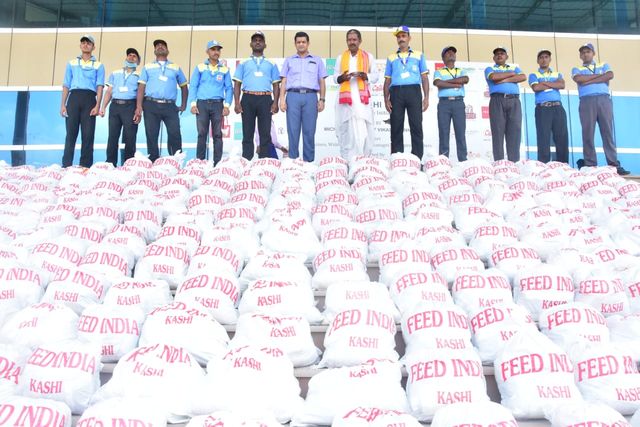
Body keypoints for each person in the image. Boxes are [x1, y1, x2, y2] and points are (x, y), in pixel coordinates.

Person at [572, 43, 630, 175]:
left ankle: (613, 163)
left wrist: (588, 81)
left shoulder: (603, 65)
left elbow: (609, 75)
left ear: (593, 53)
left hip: (604, 99)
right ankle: (590, 163)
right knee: (587, 133)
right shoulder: (577, 68)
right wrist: (599, 77)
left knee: (607, 132)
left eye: (588, 51)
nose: (586, 54)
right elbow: (579, 79)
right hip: (586, 101)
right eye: (583, 52)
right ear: (580, 55)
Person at [134, 39, 188, 162]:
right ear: (154, 50)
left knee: (175, 133)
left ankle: (176, 161)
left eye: (163, 45)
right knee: (152, 135)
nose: (160, 47)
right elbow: (141, 87)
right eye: (157, 46)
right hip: (151, 104)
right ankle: (153, 162)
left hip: (170, 106)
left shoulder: (175, 67)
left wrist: (183, 104)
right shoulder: (147, 67)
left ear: (167, 50)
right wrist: (139, 107)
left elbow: (184, 85)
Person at [279, 31, 328, 162]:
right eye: (298, 42)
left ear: (308, 43)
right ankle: (293, 162)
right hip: (293, 96)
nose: (301, 44)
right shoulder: (289, 60)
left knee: (309, 132)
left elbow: (322, 81)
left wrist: (322, 99)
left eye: (303, 42)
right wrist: (282, 99)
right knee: (293, 132)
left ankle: (309, 163)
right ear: (295, 44)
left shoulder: (317, 60)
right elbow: (283, 81)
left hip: (310, 97)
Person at [383, 25, 429, 160]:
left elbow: (424, 77)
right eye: (398, 36)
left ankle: (417, 159)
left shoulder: (419, 55)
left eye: (403, 36)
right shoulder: (391, 57)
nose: (401, 39)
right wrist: (386, 99)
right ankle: (397, 158)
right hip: (396, 92)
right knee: (396, 126)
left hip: (414, 91)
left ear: (409, 38)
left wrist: (426, 98)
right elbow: (387, 80)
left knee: (416, 125)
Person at [233, 31, 281, 160]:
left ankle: (263, 162)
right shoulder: (243, 63)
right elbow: (237, 83)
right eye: (255, 40)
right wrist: (237, 102)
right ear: (251, 44)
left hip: (265, 99)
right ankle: (246, 161)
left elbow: (276, 85)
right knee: (247, 133)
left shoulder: (272, 63)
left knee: (265, 133)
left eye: (260, 40)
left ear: (265, 44)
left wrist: (275, 102)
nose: (258, 42)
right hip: (248, 98)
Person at [60, 34, 105, 168]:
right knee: (71, 133)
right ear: (80, 45)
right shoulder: (72, 63)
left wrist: (98, 105)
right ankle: (66, 165)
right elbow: (66, 84)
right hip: (74, 98)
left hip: (89, 98)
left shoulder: (98, 65)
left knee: (88, 134)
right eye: (83, 43)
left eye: (89, 43)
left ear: (93, 47)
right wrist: (63, 104)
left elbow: (100, 86)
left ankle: (85, 165)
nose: (86, 45)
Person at [333, 29, 378, 160]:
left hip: (361, 101)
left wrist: (365, 75)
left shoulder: (368, 57)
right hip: (345, 100)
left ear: (360, 41)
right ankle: (348, 159)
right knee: (347, 130)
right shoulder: (341, 58)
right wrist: (342, 77)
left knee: (364, 128)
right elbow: (335, 77)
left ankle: (364, 159)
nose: (351, 42)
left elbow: (375, 76)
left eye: (354, 39)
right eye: (349, 40)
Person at [189, 40, 232, 165]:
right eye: (213, 49)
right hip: (201, 104)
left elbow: (229, 88)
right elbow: (193, 86)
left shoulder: (224, 70)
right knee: (202, 133)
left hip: (218, 104)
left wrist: (227, 105)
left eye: (218, 49)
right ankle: (200, 163)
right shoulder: (200, 67)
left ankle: (217, 163)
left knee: (218, 134)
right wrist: (193, 104)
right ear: (207, 52)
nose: (216, 52)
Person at [100, 48, 141, 166]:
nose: (131, 57)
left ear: (138, 61)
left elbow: (140, 93)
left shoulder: (140, 75)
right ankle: (110, 163)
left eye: (134, 56)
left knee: (130, 137)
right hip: (115, 106)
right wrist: (103, 107)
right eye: (129, 55)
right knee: (112, 136)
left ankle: (128, 165)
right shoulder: (115, 73)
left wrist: (139, 110)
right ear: (126, 58)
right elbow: (109, 91)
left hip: (130, 106)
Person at [484, 46, 526, 162]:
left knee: (515, 132)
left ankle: (514, 162)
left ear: (506, 56)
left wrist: (504, 79)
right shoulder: (489, 68)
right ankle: (499, 163)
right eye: (497, 54)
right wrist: (512, 75)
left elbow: (522, 77)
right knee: (497, 132)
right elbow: (493, 77)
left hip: (514, 101)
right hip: (497, 100)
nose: (499, 55)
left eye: (502, 53)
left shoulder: (515, 67)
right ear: (494, 57)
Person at [528, 49, 569, 164]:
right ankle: (543, 166)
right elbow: (536, 88)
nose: (544, 59)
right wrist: (553, 84)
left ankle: (563, 165)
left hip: (558, 108)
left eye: (546, 57)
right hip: (543, 108)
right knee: (543, 137)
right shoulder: (533, 75)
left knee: (561, 137)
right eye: (541, 57)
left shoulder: (557, 74)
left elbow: (561, 85)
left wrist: (544, 83)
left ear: (550, 59)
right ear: (537, 60)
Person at [433, 46, 469, 162]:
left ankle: (463, 160)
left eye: (453, 52)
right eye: (448, 53)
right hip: (444, 104)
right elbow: (438, 83)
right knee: (444, 133)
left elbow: (465, 79)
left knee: (460, 133)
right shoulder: (439, 71)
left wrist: (446, 82)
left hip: (458, 102)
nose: (451, 54)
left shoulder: (460, 70)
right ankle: (443, 160)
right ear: (443, 58)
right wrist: (455, 84)